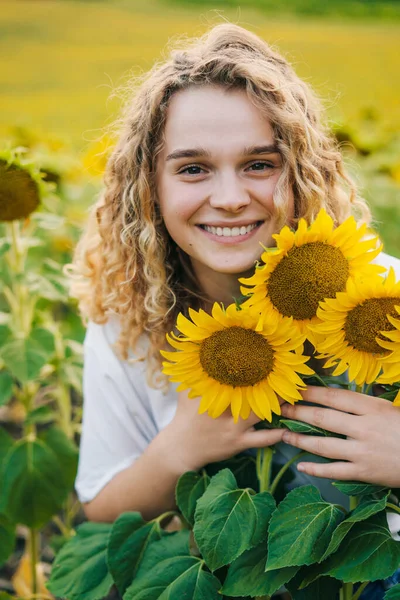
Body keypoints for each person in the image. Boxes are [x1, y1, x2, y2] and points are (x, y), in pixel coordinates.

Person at [69, 23, 400, 527]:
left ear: (304, 171)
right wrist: (178, 450)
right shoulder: (129, 325)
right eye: (193, 169)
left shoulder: (383, 298)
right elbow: (100, 507)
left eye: (260, 164)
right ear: (148, 188)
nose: (228, 198)